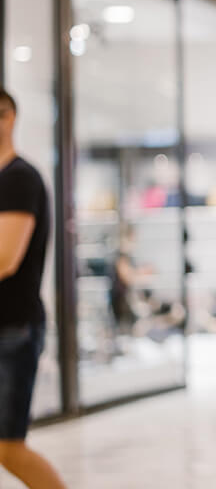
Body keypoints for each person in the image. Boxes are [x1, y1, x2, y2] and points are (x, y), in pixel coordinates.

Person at [0, 88, 66, 489]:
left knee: (8, 446)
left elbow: (5, 258)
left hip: (12, 328)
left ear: (7, 118)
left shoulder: (19, 178)